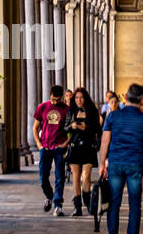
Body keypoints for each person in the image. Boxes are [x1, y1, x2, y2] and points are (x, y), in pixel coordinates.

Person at [98, 83, 143, 234]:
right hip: (135, 164)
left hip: (115, 163)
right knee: (134, 203)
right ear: (141, 100)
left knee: (114, 202)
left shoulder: (113, 117)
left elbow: (104, 142)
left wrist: (102, 164)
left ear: (125, 97)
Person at [33, 85, 71, 216]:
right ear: (50, 95)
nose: (55, 102)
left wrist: (65, 144)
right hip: (45, 147)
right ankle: (50, 197)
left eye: (57, 100)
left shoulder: (66, 110)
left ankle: (58, 205)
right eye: (53, 99)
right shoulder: (42, 107)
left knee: (60, 177)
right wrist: (39, 144)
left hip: (58, 148)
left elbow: (71, 132)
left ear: (61, 97)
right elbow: (35, 128)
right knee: (43, 178)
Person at [65, 86, 101, 216]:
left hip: (88, 147)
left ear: (85, 98)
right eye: (76, 98)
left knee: (86, 177)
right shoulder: (71, 111)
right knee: (75, 177)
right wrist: (71, 126)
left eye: (81, 97)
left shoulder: (92, 110)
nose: (79, 100)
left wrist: (87, 127)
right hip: (75, 147)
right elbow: (65, 128)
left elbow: (98, 129)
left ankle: (88, 201)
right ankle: (77, 207)